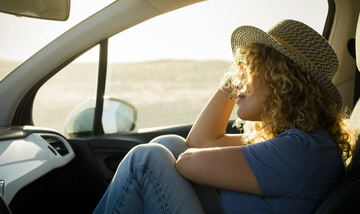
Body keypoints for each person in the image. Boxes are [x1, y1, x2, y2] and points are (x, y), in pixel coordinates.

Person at [93, 19, 356, 214]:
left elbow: (187, 162)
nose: (241, 79)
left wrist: (235, 83)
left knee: (146, 160)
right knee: (168, 143)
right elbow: (198, 141)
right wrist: (235, 80)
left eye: (250, 70)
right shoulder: (303, 143)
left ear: (282, 81)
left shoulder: (301, 151)